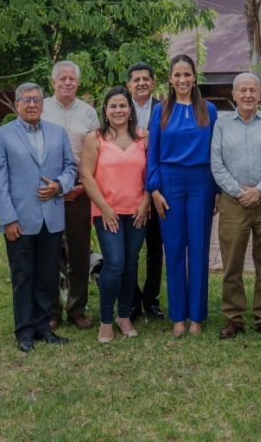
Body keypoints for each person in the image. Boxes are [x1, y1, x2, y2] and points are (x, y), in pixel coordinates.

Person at [0, 82, 76, 353]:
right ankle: (24, 331)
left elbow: (70, 167)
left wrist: (60, 185)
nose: (32, 104)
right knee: (23, 276)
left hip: (51, 217)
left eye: (37, 100)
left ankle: (43, 327)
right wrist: (8, 219)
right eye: (26, 100)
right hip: (20, 220)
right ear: (16, 104)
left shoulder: (57, 133)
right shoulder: (2, 136)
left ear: (43, 103)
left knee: (47, 276)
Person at [212, 73, 261, 338]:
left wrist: (260, 190)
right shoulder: (222, 125)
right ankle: (233, 317)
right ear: (234, 95)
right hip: (233, 202)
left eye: (252, 90)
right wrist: (237, 191)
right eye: (242, 90)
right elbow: (216, 164)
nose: (247, 95)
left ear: (260, 94)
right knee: (232, 262)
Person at [147, 55, 219, 338]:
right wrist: (153, 189)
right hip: (170, 182)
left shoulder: (209, 109)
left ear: (194, 77)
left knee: (199, 249)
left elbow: (216, 151)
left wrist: (216, 190)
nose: (182, 80)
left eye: (187, 74)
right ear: (170, 78)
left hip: (201, 180)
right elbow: (152, 151)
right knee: (174, 249)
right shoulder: (161, 110)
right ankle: (178, 315)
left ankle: (197, 316)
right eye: (177, 75)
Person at [80, 86, 151, 343]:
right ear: (106, 111)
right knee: (115, 263)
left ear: (130, 110)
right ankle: (106, 320)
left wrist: (145, 203)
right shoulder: (95, 138)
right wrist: (105, 208)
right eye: (113, 106)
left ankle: (124, 316)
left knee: (131, 264)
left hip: (137, 213)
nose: (118, 110)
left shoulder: (144, 137)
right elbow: (86, 176)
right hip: (106, 212)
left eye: (123, 106)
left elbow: (151, 175)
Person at [41, 60, 100, 330]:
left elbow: (98, 153)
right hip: (47, 189)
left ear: (78, 83)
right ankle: (51, 310)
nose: (67, 83)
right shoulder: (40, 109)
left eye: (72, 79)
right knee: (49, 253)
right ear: (53, 82)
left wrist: (83, 185)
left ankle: (76, 308)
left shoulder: (88, 113)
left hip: (79, 188)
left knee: (78, 253)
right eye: (62, 79)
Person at [125, 62, 165, 321]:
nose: (141, 83)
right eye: (136, 79)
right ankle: (131, 300)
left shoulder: (163, 109)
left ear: (153, 83)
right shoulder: (119, 106)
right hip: (126, 189)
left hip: (158, 186)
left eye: (145, 79)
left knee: (155, 248)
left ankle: (151, 298)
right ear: (128, 84)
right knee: (129, 250)